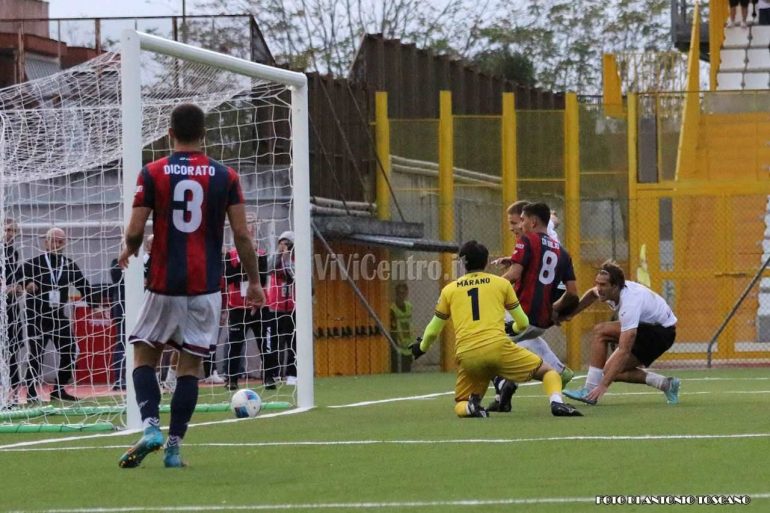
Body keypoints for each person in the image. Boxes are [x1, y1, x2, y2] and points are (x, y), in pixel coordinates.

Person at [117, 103, 264, 469]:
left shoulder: (153, 172)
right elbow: (242, 235)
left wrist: (129, 249)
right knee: (190, 367)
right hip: (205, 286)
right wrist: (254, 282)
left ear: (170, 133)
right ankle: (173, 448)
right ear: (204, 135)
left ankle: (151, 425)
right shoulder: (226, 176)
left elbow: (135, 230)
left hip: (164, 283)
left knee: (144, 356)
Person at [410, 240, 582, 418]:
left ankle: (470, 407)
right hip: (498, 349)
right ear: (486, 262)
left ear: (463, 263)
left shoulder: (449, 290)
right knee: (549, 372)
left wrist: (421, 347)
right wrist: (513, 327)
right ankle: (557, 403)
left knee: (461, 401)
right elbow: (523, 322)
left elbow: (433, 330)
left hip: (467, 354)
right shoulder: (501, 284)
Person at [488, 201, 579, 411]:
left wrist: (488, 289)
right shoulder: (563, 252)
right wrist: (555, 309)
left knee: (483, 342)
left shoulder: (527, 240)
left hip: (520, 314)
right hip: (541, 321)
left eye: (522, 220)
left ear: (533, 221)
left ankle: (504, 384)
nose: (520, 225)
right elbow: (573, 293)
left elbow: (514, 275)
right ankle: (553, 374)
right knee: (516, 342)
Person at [561, 260, 680, 406]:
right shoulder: (611, 291)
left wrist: (603, 386)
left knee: (601, 332)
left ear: (615, 286)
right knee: (610, 371)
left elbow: (624, 350)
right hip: (646, 327)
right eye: (597, 283)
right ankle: (666, 384)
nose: (599, 288)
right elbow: (592, 294)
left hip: (660, 333)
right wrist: (571, 314)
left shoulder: (630, 303)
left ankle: (589, 389)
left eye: (603, 285)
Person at [21, 227, 94, 402]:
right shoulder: (33, 263)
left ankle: (59, 389)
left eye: (61, 241)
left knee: (70, 350)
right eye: (54, 241)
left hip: (58, 316)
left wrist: (95, 304)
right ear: (46, 243)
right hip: (37, 316)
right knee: (36, 354)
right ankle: (31, 392)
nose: (57, 244)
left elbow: (83, 285)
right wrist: (26, 285)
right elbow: (18, 280)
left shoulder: (68, 265)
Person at [225, 215, 275, 391]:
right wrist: (243, 260)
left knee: (265, 343)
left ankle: (269, 377)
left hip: (259, 306)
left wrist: (251, 257)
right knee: (235, 344)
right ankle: (231, 379)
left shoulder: (260, 254)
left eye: (251, 226)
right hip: (237, 307)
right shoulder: (230, 255)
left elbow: (262, 278)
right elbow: (230, 277)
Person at [266, 231, 296, 384]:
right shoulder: (275, 259)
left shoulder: (296, 259)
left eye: (287, 244)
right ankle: (275, 373)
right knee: (275, 343)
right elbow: (268, 269)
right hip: (275, 307)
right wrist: (279, 254)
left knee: (293, 342)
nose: (284, 246)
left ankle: (292, 374)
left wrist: (288, 259)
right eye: (282, 243)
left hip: (292, 307)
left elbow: (295, 275)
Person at [2, 219, 24, 408]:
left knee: (13, 350)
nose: (9, 234)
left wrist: (17, 287)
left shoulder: (13, 253)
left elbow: (14, 278)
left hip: (10, 307)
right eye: (7, 229)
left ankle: (13, 393)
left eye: (12, 231)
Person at [109, 258, 126, 391]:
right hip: (122, 308)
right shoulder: (116, 262)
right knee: (122, 343)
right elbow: (116, 277)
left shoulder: (146, 260)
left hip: (143, 307)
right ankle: (119, 378)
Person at [390, 282, 413, 373]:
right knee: (398, 368)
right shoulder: (392, 309)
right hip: (398, 342)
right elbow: (392, 327)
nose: (401, 296)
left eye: (404, 293)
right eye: (400, 293)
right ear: (396, 294)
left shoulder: (409, 306)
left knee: (408, 368)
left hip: (408, 341)